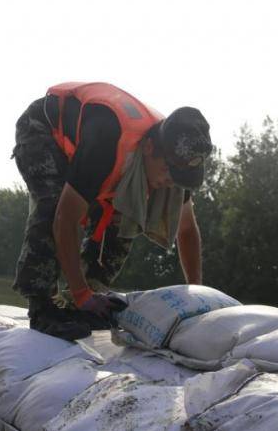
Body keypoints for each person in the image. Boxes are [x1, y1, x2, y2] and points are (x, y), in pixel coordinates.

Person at [12, 82, 213, 340]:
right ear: (150, 148)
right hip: (44, 129)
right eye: (168, 172)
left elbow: (186, 229)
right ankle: (42, 308)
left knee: (124, 219)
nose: (170, 182)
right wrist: (80, 293)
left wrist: (197, 294)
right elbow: (65, 219)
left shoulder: (176, 161)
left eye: (180, 177)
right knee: (52, 204)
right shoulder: (107, 140)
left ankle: (82, 300)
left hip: (88, 157)